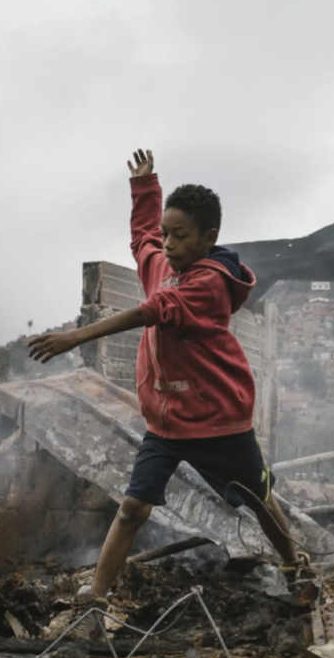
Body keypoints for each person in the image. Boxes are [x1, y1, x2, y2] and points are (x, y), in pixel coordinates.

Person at [27, 148, 308, 600]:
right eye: (168, 234)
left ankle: (296, 567)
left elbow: (157, 310)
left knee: (258, 498)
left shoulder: (211, 284)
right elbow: (143, 240)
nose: (170, 244)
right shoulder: (164, 267)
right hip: (167, 420)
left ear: (208, 237)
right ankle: (96, 596)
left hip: (218, 419)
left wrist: (77, 337)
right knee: (133, 507)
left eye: (181, 235)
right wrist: (144, 187)